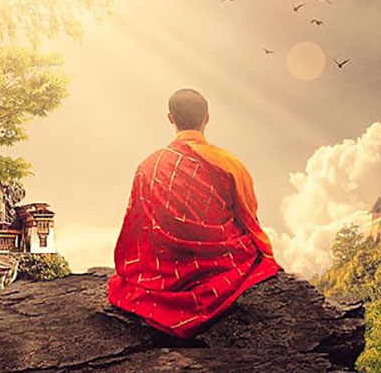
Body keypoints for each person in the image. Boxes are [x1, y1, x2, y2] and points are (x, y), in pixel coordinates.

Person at [107, 88, 281, 338]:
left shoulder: (148, 166)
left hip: (159, 271)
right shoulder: (229, 163)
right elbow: (248, 219)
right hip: (220, 264)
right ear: (207, 118)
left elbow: (135, 227)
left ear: (170, 118)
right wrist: (265, 253)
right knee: (255, 255)